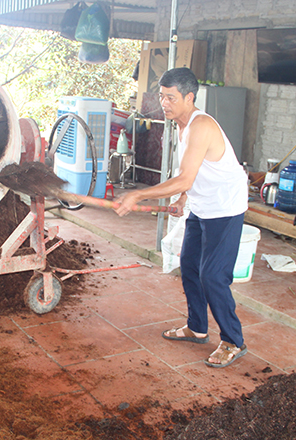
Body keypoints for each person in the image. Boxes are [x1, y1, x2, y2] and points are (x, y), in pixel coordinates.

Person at [114, 67, 249, 368]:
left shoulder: (201, 126)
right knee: (189, 265)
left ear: (189, 97)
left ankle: (233, 340)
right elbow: (193, 171)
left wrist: (138, 194)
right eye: (162, 96)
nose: (165, 103)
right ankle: (197, 327)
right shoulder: (179, 125)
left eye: (171, 97)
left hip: (225, 208)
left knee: (213, 275)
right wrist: (184, 198)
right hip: (202, 205)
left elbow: (185, 177)